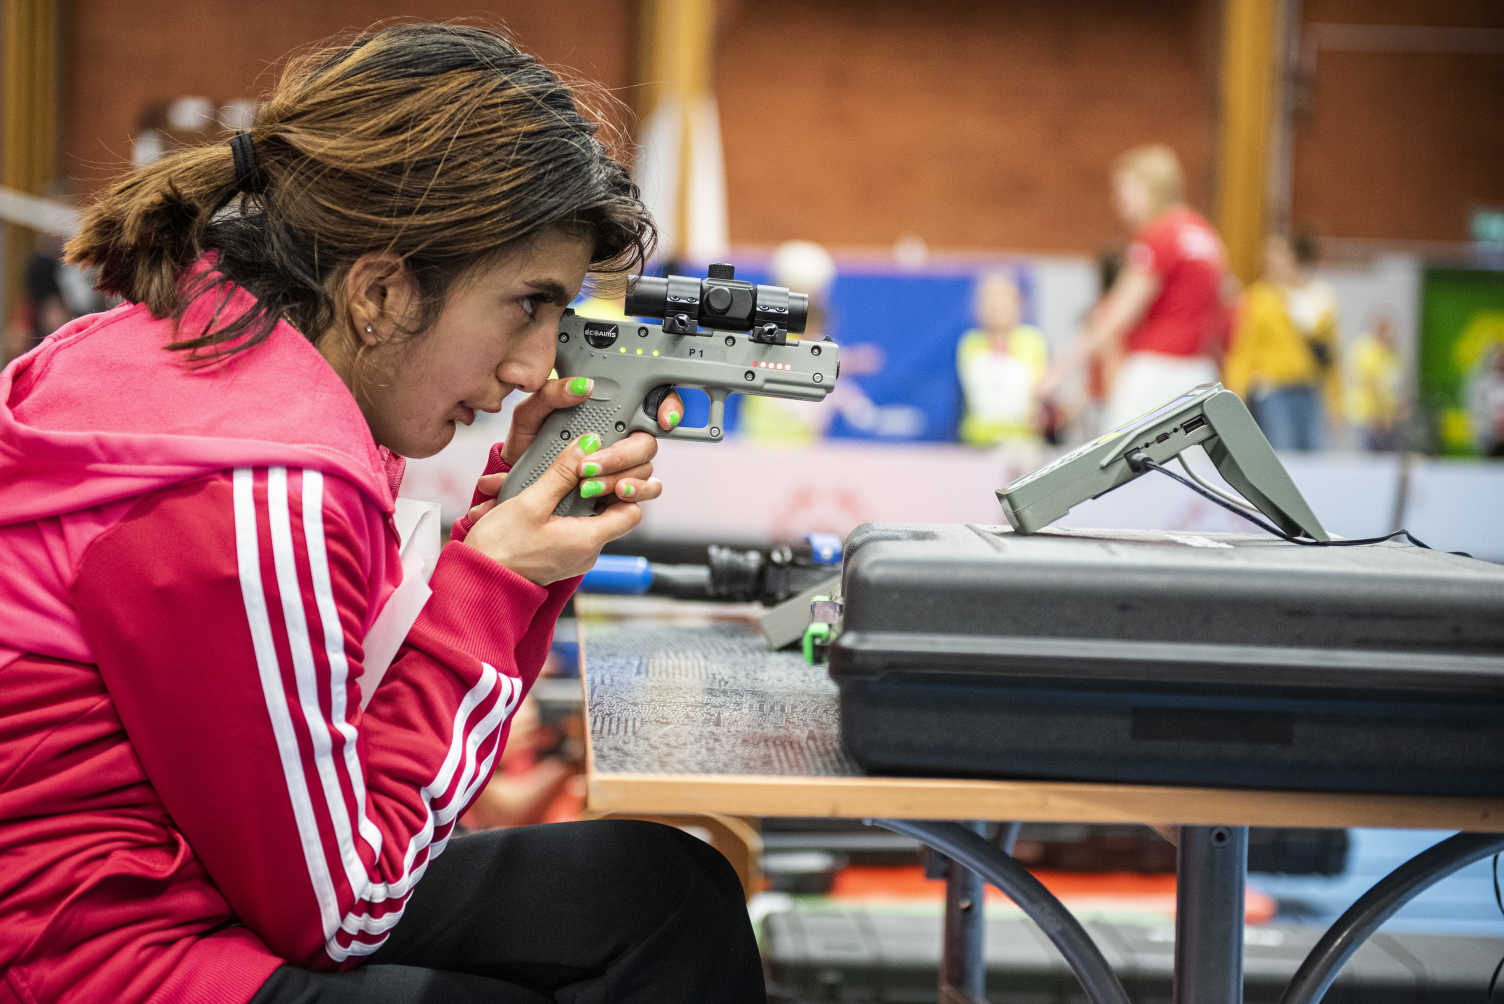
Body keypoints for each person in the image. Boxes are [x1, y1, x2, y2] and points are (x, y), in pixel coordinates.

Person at [0, 24, 763, 1004]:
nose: (534, 366)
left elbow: (321, 774)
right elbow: (343, 906)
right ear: (379, 289)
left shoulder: (192, 353)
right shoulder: (261, 491)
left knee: (663, 892)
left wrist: (508, 537)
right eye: (525, 305)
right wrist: (492, 582)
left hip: (187, 877)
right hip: (96, 960)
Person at [1040, 144, 1230, 431]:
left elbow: (1117, 314)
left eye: (1124, 189)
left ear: (1148, 187)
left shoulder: (1160, 236)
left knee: (1119, 463)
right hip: (1198, 373)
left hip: (1154, 372)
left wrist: (1059, 369)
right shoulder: (1206, 236)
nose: (1119, 201)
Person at [1223, 232, 1339, 450]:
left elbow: (1329, 355)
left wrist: (1335, 401)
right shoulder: (1258, 298)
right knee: (1283, 453)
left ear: (1293, 257)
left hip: (1310, 388)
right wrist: (1236, 391)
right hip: (1273, 391)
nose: (1273, 261)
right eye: (1270, 256)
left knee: (1314, 454)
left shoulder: (1316, 298)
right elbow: (1243, 349)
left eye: (1280, 254)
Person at [955, 271, 1048, 445]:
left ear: (1018, 304)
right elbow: (982, 393)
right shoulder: (970, 343)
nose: (997, 306)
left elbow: (1036, 391)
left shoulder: (1033, 340)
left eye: (1004, 299)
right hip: (979, 442)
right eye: (991, 300)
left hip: (1023, 441)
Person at [1344, 315, 1404, 451]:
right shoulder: (1366, 351)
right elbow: (1371, 385)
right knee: (1369, 462)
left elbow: (1394, 389)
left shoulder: (1393, 354)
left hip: (1387, 420)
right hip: (1368, 418)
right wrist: (1380, 417)